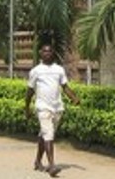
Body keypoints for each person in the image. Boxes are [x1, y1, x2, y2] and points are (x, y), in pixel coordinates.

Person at [24, 44, 80, 177]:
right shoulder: (36, 71)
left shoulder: (59, 70)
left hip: (57, 107)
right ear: (40, 53)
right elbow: (30, 90)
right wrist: (26, 107)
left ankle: (38, 161)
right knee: (49, 134)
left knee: (45, 134)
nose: (47, 53)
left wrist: (74, 98)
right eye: (44, 51)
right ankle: (52, 165)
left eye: (49, 51)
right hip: (43, 107)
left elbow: (65, 86)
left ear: (53, 53)